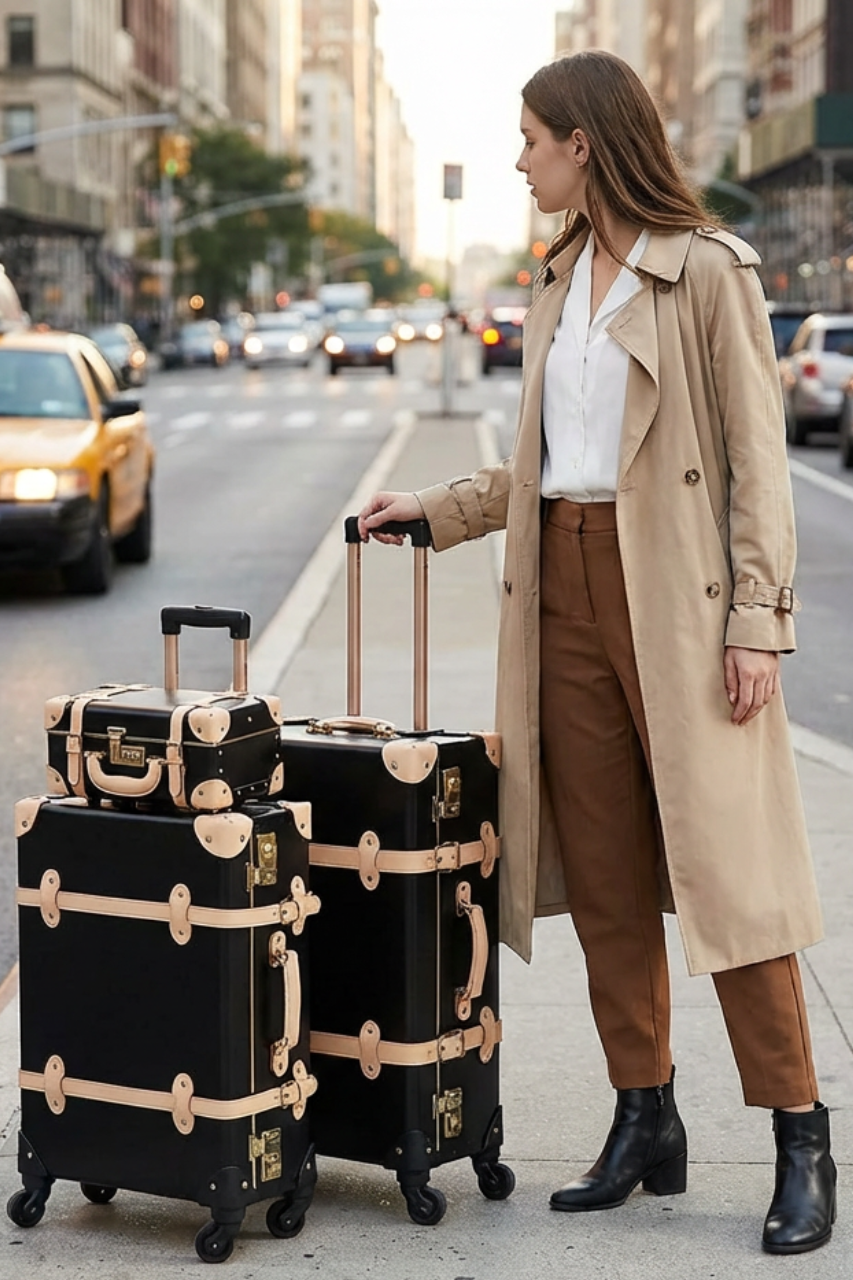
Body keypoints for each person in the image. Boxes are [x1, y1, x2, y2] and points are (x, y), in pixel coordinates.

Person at [358, 50, 837, 1255]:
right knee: (610, 875)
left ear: (584, 141)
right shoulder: (558, 279)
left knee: (730, 878)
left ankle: (797, 1133)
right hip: (562, 591)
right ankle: (645, 1115)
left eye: (530, 139)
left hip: (675, 596)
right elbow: (540, 469)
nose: (518, 160)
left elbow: (752, 463)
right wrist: (440, 508)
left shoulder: (708, 271)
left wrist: (755, 621)